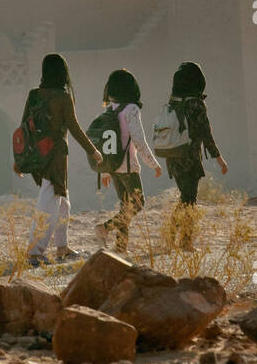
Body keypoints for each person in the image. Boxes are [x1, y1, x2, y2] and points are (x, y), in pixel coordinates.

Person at [17, 53, 101, 266]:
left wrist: (20, 159)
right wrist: (93, 151)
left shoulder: (34, 94)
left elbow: (23, 129)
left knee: (62, 202)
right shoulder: (63, 96)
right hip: (55, 155)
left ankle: (62, 247)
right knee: (49, 199)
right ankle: (34, 253)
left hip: (37, 153)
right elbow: (74, 128)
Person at [94, 68, 162, 254]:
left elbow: (107, 142)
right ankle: (105, 228)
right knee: (138, 204)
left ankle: (120, 247)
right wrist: (153, 163)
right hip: (128, 167)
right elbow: (139, 140)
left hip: (114, 166)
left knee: (125, 205)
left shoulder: (111, 109)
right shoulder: (131, 109)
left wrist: (106, 171)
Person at [163, 62, 227, 221]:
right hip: (190, 158)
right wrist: (219, 159)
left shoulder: (172, 103)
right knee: (189, 199)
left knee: (186, 197)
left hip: (172, 156)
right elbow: (205, 133)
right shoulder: (196, 104)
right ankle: (176, 236)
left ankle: (183, 240)